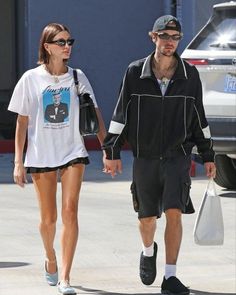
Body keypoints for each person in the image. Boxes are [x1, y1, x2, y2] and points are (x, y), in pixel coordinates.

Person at [102, 15, 216, 295]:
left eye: (174, 37)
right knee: (147, 218)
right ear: (152, 37)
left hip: (178, 156)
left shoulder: (190, 76)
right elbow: (120, 114)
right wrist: (111, 150)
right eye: (164, 36)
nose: (169, 42)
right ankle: (147, 249)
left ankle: (171, 276)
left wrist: (208, 153)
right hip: (146, 156)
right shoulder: (134, 73)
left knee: (174, 213)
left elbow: (199, 118)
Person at [8, 23, 106, 295]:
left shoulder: (77, 76)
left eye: (69, 41)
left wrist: (108, 149)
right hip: (41, 153)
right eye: (61, 42)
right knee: (49, 220)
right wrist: (19, 161)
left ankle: (65, 276)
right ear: (47, 46)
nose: (67, 46)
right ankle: (50, 257)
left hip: (73, 151)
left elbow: (95, 113)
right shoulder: (31, 78)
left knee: (70, 211)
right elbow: (22, 121)